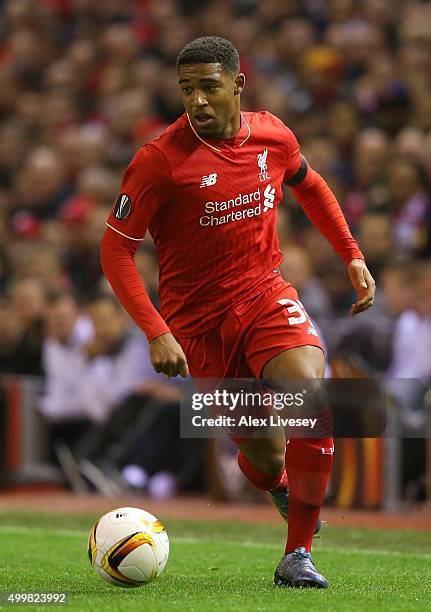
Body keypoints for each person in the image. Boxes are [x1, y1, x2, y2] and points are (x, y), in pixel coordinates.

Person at [101, 36, 375, 589]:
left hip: (265, 294)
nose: (197, 101)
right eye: (186, 89)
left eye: (208, 86)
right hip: (197, 325)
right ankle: (277, 484)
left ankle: (297, 555)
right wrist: (156, 330)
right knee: (261, 454)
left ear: (237, 84)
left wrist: (351, 254)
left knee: (309, 400)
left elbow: (312, 186)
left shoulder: (273, 135)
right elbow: (115, 249)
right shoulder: (159, 162)